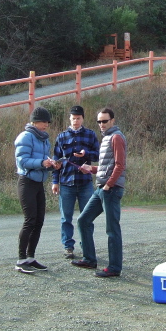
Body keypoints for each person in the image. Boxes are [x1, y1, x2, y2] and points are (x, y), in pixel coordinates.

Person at [71, 107, 126, 278]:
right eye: (99, 121)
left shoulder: (116, 137)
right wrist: (91, 169)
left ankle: (114, 268)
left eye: (104, 121)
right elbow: (106, 167)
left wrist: (109, 185)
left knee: (112, 229)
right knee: (83, 220)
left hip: (110, 189)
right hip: (101, 188)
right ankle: (89, 259)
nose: (101, 124)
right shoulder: (107, 138)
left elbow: (120, 165)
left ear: (112, 121)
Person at [14, 107, 61, 274]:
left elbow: (43, 163)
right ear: (34, 121)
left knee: (39, 220)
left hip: (39, 184)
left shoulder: (44, 139)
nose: (46, 125)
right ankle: (20, 259)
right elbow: (22, 161)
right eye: (43, 121)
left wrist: (52, 165)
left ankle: (30, 257)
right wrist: (42, 163)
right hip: (26, 182)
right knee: (30, 220)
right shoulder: (25, 137)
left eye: (48, 122)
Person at [51, 105, 100, 259]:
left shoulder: (90, 135)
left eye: (78, 118)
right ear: (70, 119)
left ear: (83, 119)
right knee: (66, 217)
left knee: (87, 217)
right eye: (73, 118)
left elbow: (98, 155)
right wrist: (55, 181)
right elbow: (55, 161)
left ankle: (86, 246)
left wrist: (87, 154)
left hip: (85, 182)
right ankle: (68, 247)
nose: (76, 121)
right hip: (66, 182)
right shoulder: (62, 137)